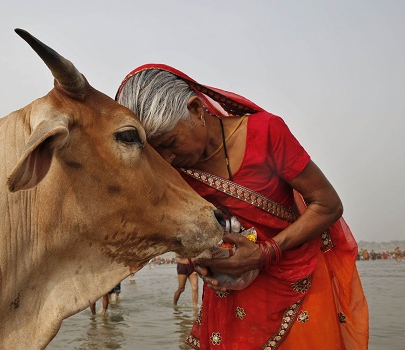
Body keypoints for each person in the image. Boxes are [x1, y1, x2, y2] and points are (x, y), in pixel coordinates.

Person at [116, 64, 369, 349]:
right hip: (233, 291)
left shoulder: (266, 132)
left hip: (299, 277)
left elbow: (328, 204)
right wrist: (206, 266)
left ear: (197, 109)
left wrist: (263, 254)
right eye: (157, 153)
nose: (168, 159)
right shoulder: (176, 172)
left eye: (170, 143)